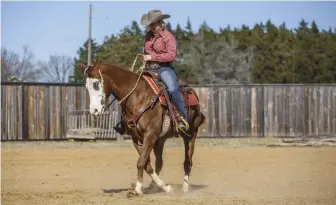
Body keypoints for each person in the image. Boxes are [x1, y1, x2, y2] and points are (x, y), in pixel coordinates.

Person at [113, 9, 189, 135]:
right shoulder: (148, 36)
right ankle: (124, 122)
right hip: (149, 68)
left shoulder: (168, 37)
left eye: (153, 23)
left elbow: (171, 55)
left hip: (164, 68)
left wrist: (152, 57)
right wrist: (145, 61)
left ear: (160, 23)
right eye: (150, 24)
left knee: (172, 89)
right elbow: (146, 52)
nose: (151, 26)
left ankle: (182, 118)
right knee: (132, 88)